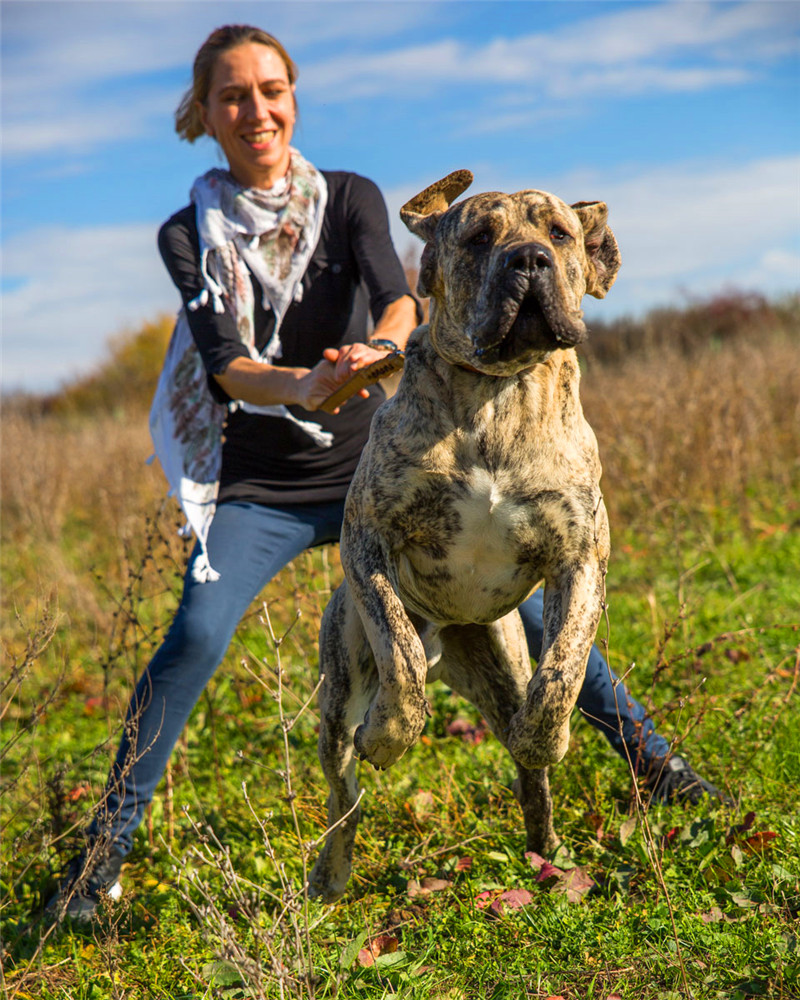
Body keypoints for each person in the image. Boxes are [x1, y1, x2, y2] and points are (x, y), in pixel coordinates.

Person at [49, 25, 727, 921]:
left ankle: (659, 769)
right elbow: (225, 363)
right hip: (261, 479)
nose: (257, 110)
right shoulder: (188, 232)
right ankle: (101, 861)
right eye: (233, 95)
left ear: (293, 97)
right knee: (195, 639)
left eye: (271, 89)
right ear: (203, 113)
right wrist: (307, 381)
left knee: (526, 599)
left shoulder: (352, 198)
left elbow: (402, 291)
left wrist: (377, 348)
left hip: (389, 455)